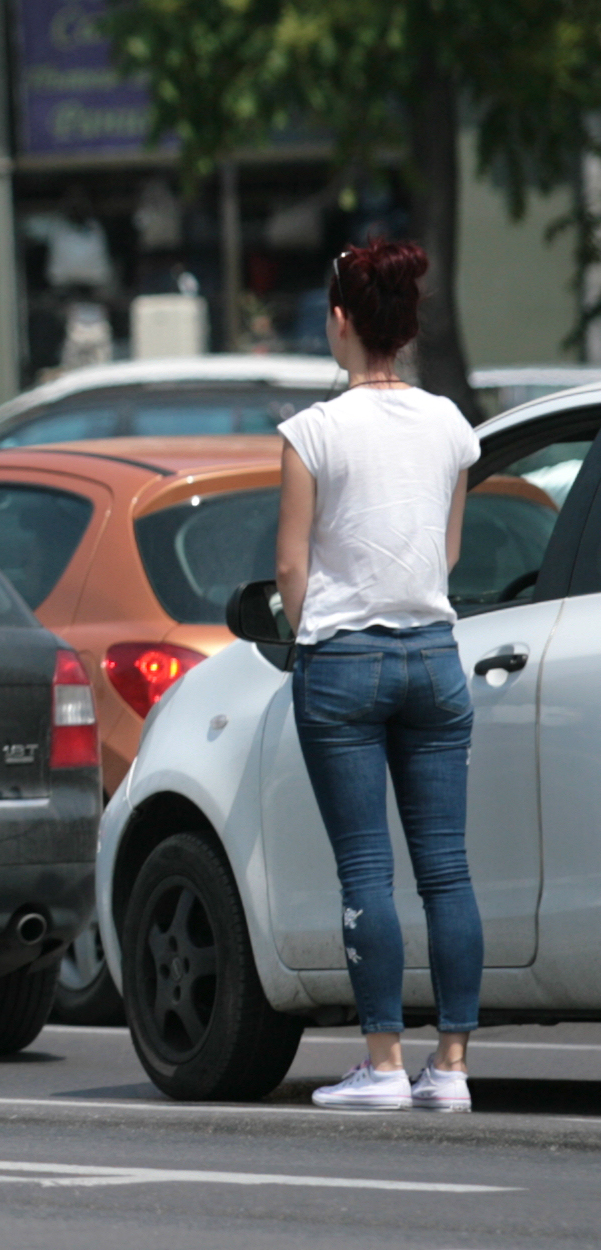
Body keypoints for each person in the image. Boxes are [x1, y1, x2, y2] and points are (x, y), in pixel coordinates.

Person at [274, 239, 481, 1112]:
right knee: (446, 869)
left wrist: (300, 633)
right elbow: (447, 550)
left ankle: (382, 1062)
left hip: (343, 661)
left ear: (341, 321)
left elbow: (290, 570)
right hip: (434, 660)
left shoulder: (312, 431)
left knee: (365, 870)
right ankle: (454, 1068)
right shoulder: (447, 424)